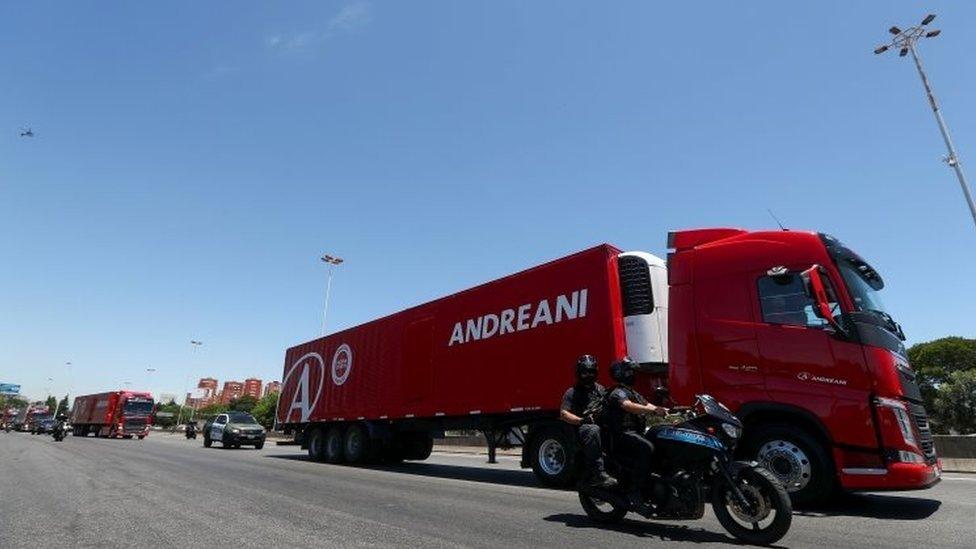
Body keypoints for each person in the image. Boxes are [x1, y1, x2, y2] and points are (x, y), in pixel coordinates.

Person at [606, 357, 668, 510]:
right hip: (622, 434)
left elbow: (647, 404)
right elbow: (628, 406)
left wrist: (667, 411)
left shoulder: (632, 392)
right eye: (630, 371)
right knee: (647, 448)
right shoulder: (617, 392)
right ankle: (635, 491)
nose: (633, 374)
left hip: (635, 432)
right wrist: (653, 410)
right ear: (621, 373)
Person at [560, 355, 616, 488]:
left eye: (591, 372)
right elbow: (564, 413)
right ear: (578, 373)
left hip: (602, 425)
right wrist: (582, 420)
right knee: (592, 429)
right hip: (582, 429)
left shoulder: (600, 389)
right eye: (584, 372)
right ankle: (598, 472)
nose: (588, 375)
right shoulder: (572, 392)